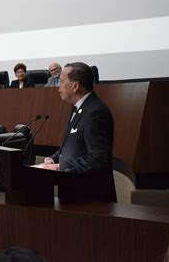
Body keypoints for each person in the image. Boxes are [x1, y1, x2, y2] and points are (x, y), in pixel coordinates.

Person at [33, 62, 116, 202]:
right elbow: (71, 147)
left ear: (75, 86)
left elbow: (99, 158)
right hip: (73, 193)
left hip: (90, 199)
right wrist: (53, 159)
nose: (58, 87)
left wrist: (60, 167)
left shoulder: (95, 112)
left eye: (61, 81)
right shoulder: (77, 108)